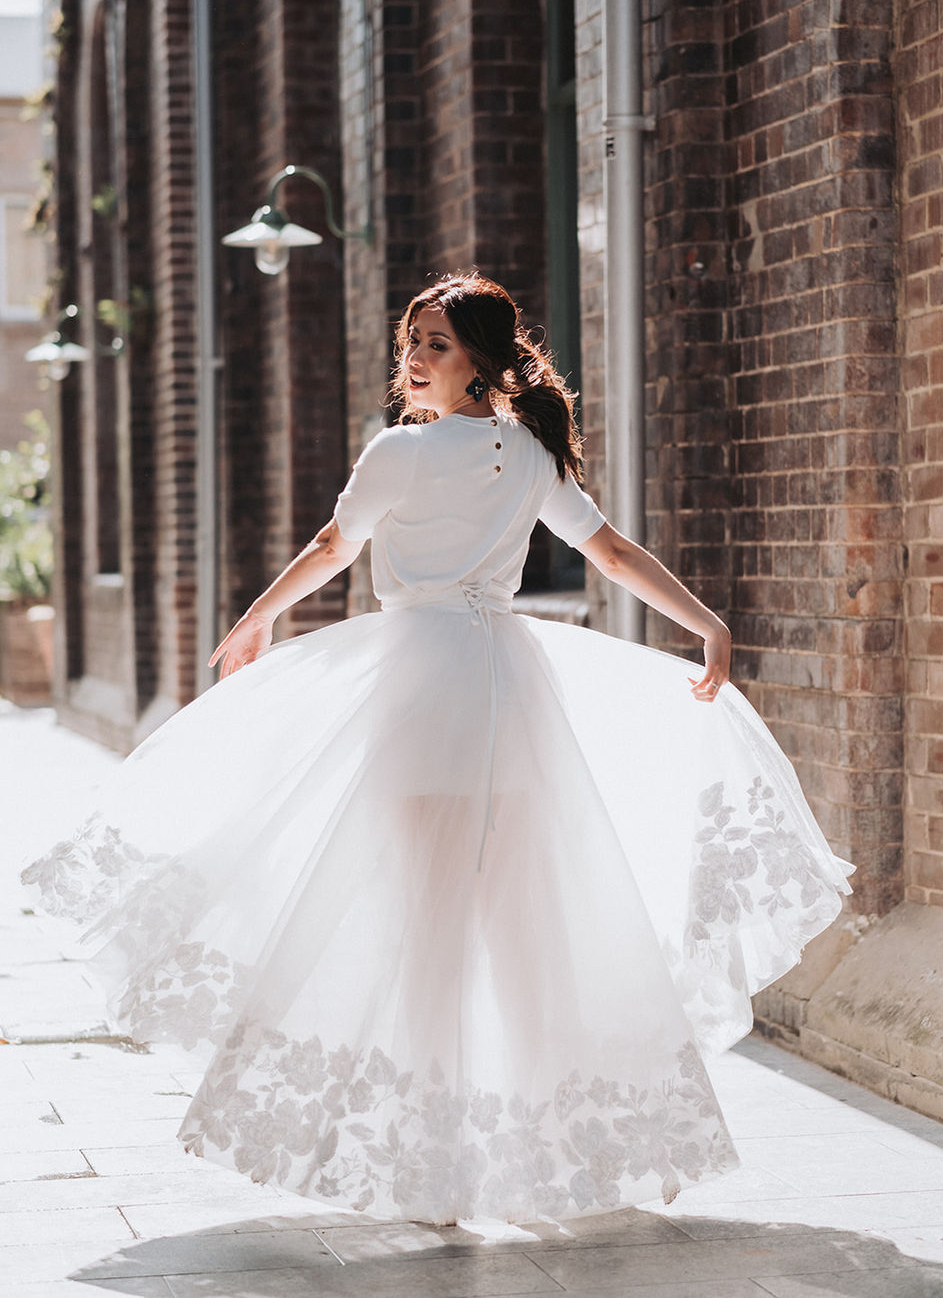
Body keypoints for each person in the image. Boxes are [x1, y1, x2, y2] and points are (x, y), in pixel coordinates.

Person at [22, 274, 853, 1229]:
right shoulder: (527, 451)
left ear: (480, 364)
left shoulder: (401, 453)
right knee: (524, 929)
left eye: (437, 345)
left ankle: (435, 1175)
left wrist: (258, 619)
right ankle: (592, 1149)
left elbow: (339, 542)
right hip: (509, 684)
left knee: (435, 930)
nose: (414, 358)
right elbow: (610, 552)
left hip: (422, 693)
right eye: (412, 339)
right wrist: (704, 623)